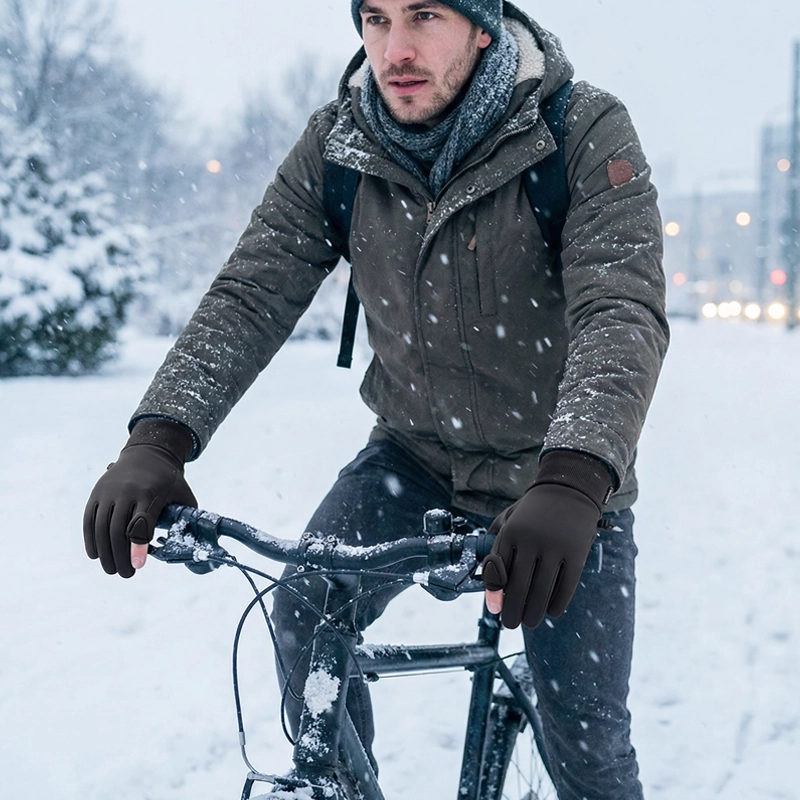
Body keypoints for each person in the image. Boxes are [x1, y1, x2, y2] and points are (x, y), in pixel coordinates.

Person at [83, 1, 669, 797]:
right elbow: (251, 293)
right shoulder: (341, 143)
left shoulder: (579, 129)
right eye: (376, 18)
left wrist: (573, 479)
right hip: (415, 458)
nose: (395, 49)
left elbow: (620, 312)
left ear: (483, 25)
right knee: (306, 613)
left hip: (558, 480)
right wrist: (157, 439)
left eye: (424, 15)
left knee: (589, 746)